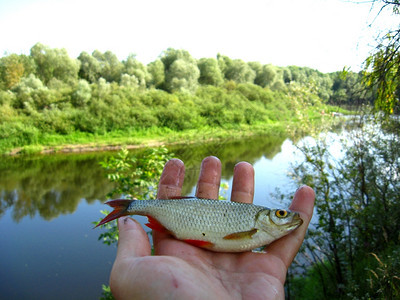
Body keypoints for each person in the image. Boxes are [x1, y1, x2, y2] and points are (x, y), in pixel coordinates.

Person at [109, 156, 315, 300]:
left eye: (282, 214)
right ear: (266, 217)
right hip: (178, 219)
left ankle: (128, 207)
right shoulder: (257, 231)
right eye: (281, 214)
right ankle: (129, 207)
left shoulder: (261, 232)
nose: (286, 216)